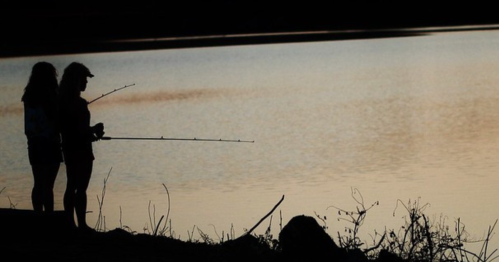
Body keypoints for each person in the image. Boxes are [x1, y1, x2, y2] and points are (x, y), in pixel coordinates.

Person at [58, 62, 104, 232]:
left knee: (71, 185)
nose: (86, 82)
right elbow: (82, 130)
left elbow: (70, 129)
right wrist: (95, 130)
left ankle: (70, 224)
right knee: (81, 188)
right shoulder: (79, 103)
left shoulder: (61, 101)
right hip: (82, 150)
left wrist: (91, 132)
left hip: (69, 149)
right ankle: (82, 225)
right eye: (84, 79)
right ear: (76, 80)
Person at [22, 61, 63, 213]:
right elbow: (56, 120)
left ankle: (38, 214)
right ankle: (49, 218)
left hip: (33, 143)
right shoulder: (50, 96)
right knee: (48, 185)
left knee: (38, 183)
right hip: (50, 143)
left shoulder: (28, 96)